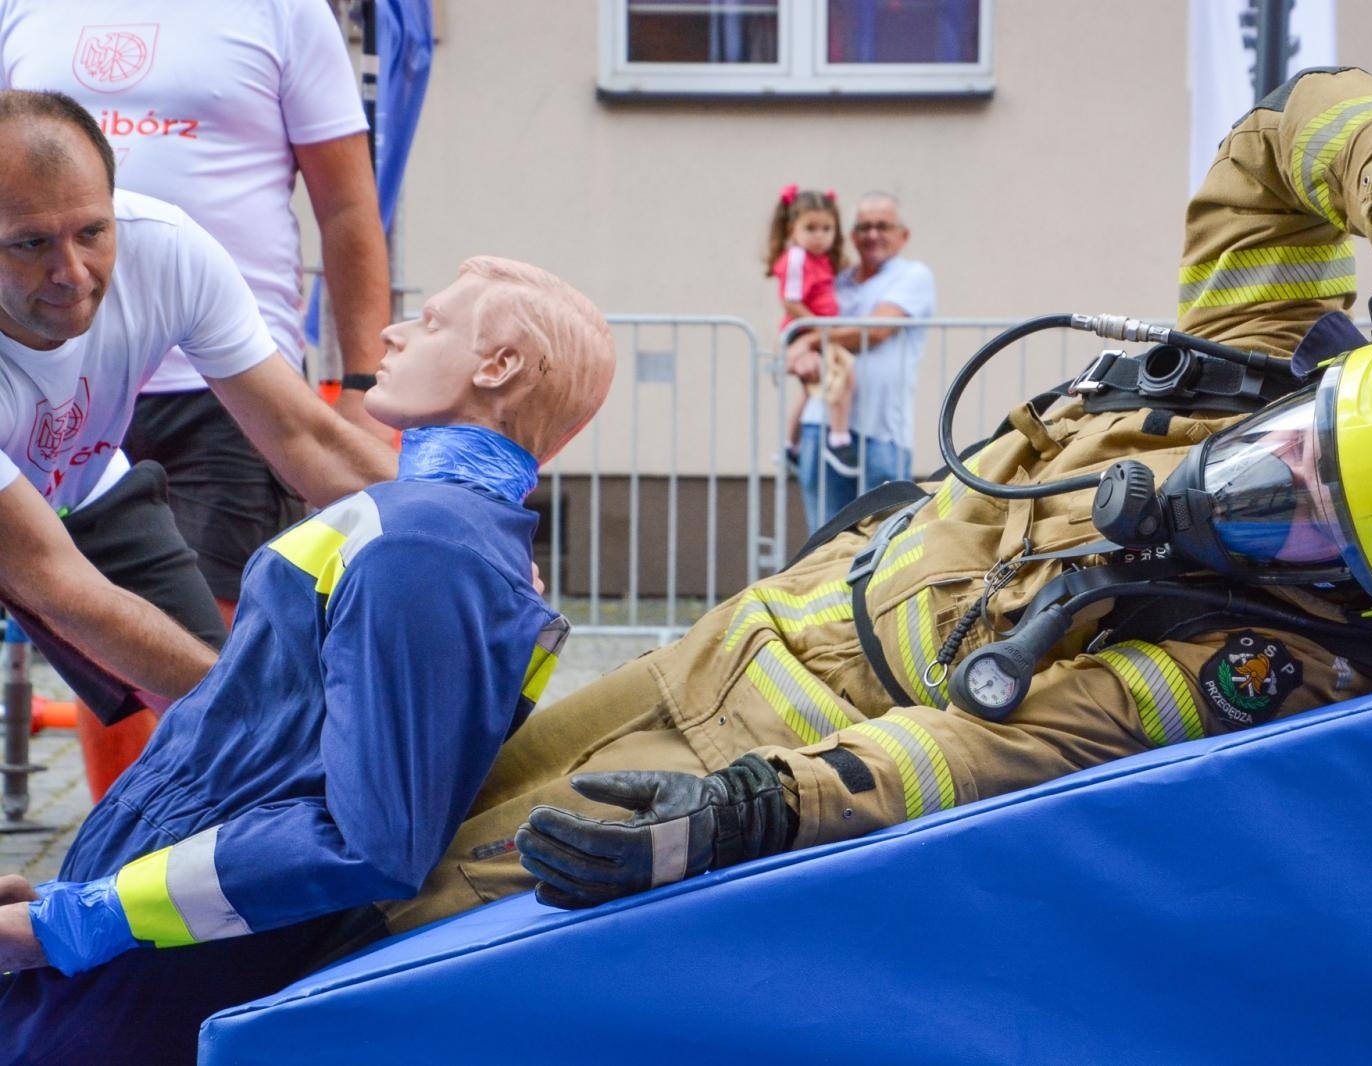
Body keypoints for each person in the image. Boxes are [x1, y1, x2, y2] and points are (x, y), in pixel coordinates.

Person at [370, 67, 1372, 927]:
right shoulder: (1263, 340)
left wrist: (753, 809)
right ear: (1342, 383)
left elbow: (1001, 746)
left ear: (1371, 582)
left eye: (1306, 524)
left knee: (399, 905)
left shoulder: (1276, 656)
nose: (1260, 494)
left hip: (767, 735)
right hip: (741, 630)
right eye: (1296, 456)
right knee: (395, 809)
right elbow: (1288, 123)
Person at [0, 256, 617, 1066]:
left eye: (431, 322)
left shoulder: (431, 544)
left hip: (183, 942)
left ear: (498, 366)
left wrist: (81, 920)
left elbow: (371, 841)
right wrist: (69, 902)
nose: (392, 334)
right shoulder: (434, 531)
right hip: (174, 916)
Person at [0, 90, 394, 728]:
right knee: (246, 713)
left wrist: (472, 533)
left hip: (79, 485)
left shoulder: (166, 248)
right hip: (34, 540)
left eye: (93, 232)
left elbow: (308, 438)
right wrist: (271, 717)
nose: (72, 271)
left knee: (226, 725)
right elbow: (60, 586)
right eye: (30, 244)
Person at [787, 191, 936, 531]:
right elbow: (794, 327)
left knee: (882, 543)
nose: (873, 235)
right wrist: (801, 351)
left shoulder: (913, 275)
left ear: (903, 235)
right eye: (864, 227)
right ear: (851, 236)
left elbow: (877, 330)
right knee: (823, 544)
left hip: (881, 432)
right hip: (821, 424)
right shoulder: (835, 279)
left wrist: (811, 340)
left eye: (883, 226)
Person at [766, 184, 855, 476]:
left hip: (814, 330)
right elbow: (790, 301)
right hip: (803, 331)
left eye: (827, 229)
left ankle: (789, 446)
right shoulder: (796, 258)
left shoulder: (821, 260)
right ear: (793, 229)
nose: (820, 236)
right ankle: (839, 440)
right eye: (811, 228)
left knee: (811, 391)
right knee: (842, 375)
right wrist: (818, 326)